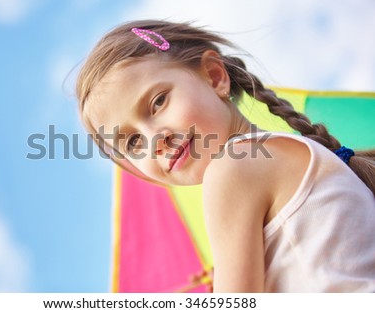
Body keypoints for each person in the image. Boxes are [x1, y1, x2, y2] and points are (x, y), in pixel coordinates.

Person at [75, 20, 375, 292]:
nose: (156, 140)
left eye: (158, 102)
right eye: (133, 142)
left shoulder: (232, 167)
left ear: (215, 76)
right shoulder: (287, 157)